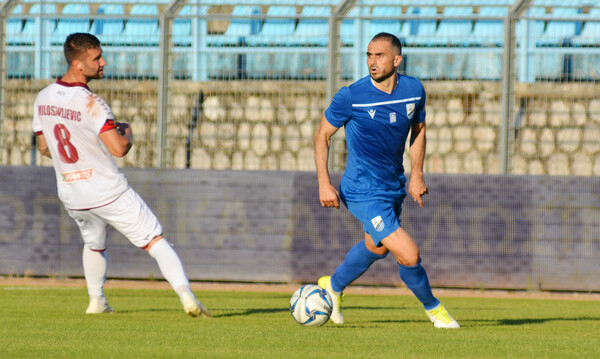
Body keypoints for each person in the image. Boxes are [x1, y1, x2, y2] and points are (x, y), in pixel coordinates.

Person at [31, 33, 210, 317]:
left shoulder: (42, 98)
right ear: (78, 64)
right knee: (155, 240)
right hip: (106, 190)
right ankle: (188, 297)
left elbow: (44, 147)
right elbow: (118, 149)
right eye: (96, 58)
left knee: (94, 243)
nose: (104, 62)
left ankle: (96, 301)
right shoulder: (92, 103)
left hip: (72, 194)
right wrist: (127, 134)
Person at [314, 32, 459, 329]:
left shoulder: (414, 89)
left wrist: (416, 174)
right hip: (361, 190)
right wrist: (323, 183)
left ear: (397, 59)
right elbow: (322, 136)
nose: (372, 61)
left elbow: (419, 130)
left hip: (392, 186)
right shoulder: (351, 95)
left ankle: (334, 285)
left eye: (379, 55)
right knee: (408, 253)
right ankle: (435, 311)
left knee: (377, 247)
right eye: (368, 55)